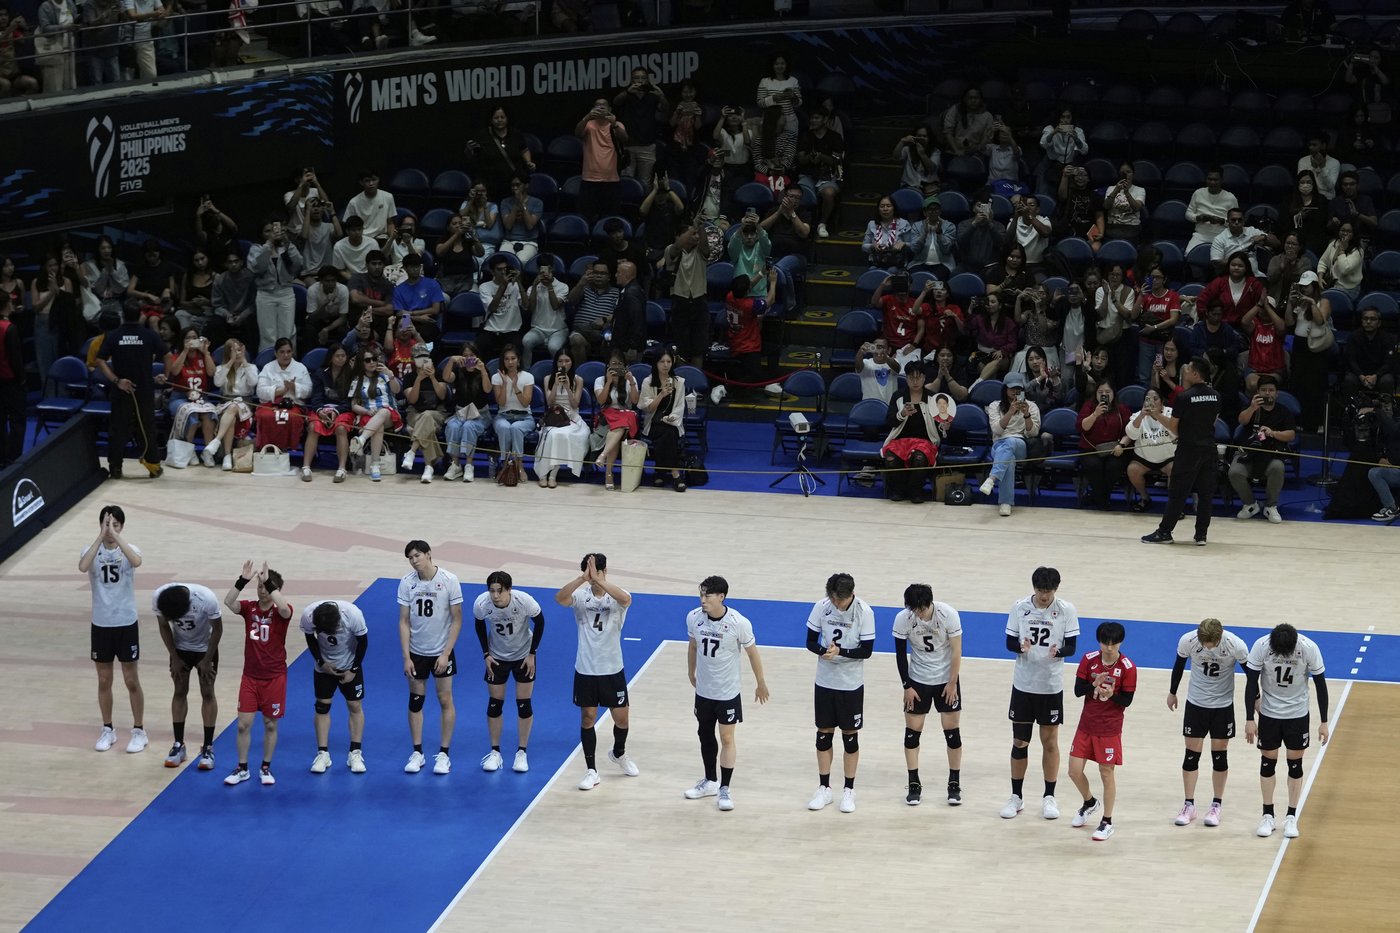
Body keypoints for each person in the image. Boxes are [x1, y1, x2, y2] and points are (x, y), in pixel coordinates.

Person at [683, 575, 770, 811]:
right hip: (704, 691)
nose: (703, 600)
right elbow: (693, 646)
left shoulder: (738, 623)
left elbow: (752, 653)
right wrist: (690, 672)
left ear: (721, 597)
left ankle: (725, 788)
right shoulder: (694, 618)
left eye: (707, 596)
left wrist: (761, 683)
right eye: (701, 595)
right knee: (705, 735)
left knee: (727, 738)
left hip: (727, 692)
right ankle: (710, 781)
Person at [1001, 566, 1079, 821]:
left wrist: (1060, 652)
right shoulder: (1019, 607)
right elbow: (1009, 642)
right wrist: (1020, 648)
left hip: (1050, 686)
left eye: (1049, 591)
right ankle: (1016, 797)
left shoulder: (1066, 610)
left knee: (1050, 742)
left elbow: (1072, 647)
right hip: (1024, 685)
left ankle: (1049, 797)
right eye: (1040, 590)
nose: (1044, 596)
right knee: (1019, 742)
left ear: (1056, 589)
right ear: (1034, 588)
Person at [555, 553, 636, 791]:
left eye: (596, 573)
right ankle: (592, 770)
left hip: (612, 668)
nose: (593, 578)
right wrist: (583, 579)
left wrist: (599, 581)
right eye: (589, 574)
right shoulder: (581, 597)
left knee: (622, 719)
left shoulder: (618, 595)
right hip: (586, 669)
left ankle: (618, 753)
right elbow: (560, 598)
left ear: (605, 571)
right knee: (588, 717)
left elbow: (626, 599)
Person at [1245, 623, 1329, 838]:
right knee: (1267, 763)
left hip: (1297, 714)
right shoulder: (1261, 646)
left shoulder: (1309, 648)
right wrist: (1249, 718)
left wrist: (1324, 722)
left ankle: (1291, 817)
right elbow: (1251, 682)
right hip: (1269, 714)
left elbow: (1321, 685)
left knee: (1295, 764)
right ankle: (1268, 815)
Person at [1168, 617, 1250, 828]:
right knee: (1191, 756)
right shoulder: (1188, 640)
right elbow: (1179, 665)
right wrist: (1172, 692)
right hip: (1196, 704)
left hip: (1222, 706)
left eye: (1211, 644)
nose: (1207, 647)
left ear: (1219, 637)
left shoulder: (1235, 644)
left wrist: (1256, 700)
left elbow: (1252, 674)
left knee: (1219, 757)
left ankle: (1216, 805)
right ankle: (1189, 805)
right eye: (1204, 643)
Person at [805, 572, 876, 814]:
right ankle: (824, 788)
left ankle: (849, 790)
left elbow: (866, 651)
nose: (836, 603)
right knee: (823, 735)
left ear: (851, 595)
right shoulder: (822, 606)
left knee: (850, 736)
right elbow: (810, 641)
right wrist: (822, 651)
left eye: (840, 600)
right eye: (833, 598)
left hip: (850, 684)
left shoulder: (864, 612)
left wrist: (841, 652)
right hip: (825, 681)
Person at [79, 505, 147, 754]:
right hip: (101, 624)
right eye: (107, 525)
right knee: (104, 679)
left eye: (115, 525)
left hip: (126, 623)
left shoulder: (130, 550)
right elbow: (83, 567)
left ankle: (139, 730)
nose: (110, 529)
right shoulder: (91, 550)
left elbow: (137, 561)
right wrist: (101, 536)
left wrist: (116, 537)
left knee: (131, 679)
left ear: (122, 527)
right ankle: (108, 728)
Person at [221, 560, 292, 787]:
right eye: (259, 586)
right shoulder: (249, 608)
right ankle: (242, 768)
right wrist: (242, 580)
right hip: (250, 677)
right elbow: (228, 602)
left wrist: (269, 583)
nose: (261, 591)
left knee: (270, 724)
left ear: (275, 589)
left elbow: (283, 608)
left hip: (274, 677)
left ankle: (265, 767)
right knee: (243, 724)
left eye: (266, 587)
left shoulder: (282, 611)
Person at [893, 583, 963, 807]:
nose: (918, 614)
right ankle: (913, 783)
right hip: (918, 681)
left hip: (945, 680)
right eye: (914, 609)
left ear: (930, 603)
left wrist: (952, 683)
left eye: (921, 609)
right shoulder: (903, 618)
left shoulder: (948, 615)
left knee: (952, 734)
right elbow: (900, 655)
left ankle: (954, 783)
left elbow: (957, 651)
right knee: (911, 735)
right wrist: (907, 686)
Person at [397, 540, 462, 776]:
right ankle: (417, 752)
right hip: (417, 652)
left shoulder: (449, 580)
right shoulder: (407, 582)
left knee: (445, 699)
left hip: (441, 652)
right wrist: (406, 657)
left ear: (428, 554)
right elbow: (404, 621)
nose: (414, 561)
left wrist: (446, 654)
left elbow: (457, 620)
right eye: (410, 558)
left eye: (417, 556)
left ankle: (444, 754)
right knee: (416, 701)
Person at [1067, 621, 1137, 841]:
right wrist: (1093, 685)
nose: (1109, 647)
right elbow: (1078, 691)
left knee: (1106, 773)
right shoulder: (1089, 660)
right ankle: (1090, 802)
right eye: (1105, 643)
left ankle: (1107, 821)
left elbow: (1127, 701)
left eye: (1113, 644)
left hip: (1109, 729)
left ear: (1120, 642)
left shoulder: (1128, 667)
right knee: (1074, 771)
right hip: (1086, 725)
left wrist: (1111, 695)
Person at [1143, 358, 1222, 545]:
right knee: (1205, 495)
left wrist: (1156, 415)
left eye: (1188, 369)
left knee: (1177, 493)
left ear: (1196, 374)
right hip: (1209, 449)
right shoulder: (1216, 395)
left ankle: (1164, 532)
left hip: (1189, 450)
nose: (1184, 371)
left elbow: (1174, 427)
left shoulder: (1184, 397)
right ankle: (1201, 535)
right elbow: (1213, 422)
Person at [474, 571, 545, 774]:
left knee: (524, 704)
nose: (495, 596)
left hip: (523, 656)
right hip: (497, 657)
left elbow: (540, 622)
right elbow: (479, 624)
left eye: (500, 591)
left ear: (509, 590)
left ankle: (521, 752)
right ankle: (495, 752)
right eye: (492, 591)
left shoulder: (524, 601)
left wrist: (532, 654)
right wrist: (486, 654)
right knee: (495, 704)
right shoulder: (482, 604)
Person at [92, 302, 168, 479]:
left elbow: (100, 361)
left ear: (123, 316)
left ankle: (115, 468)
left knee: (118, 428)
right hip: (144, 389)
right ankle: (153, 466)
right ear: (140, 315)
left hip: (121, 389)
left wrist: (117, 381)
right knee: (147, 427)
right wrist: (165, 375)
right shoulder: (149, 335)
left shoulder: (113, 335)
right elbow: (167, 355)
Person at [153, 581, 223, 771]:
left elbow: (217, 629)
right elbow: (163, 626)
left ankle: (208, 747)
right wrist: (174, 657)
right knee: (179, 691)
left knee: (207, 692)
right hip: (180, 648)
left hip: (205, 648)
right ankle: (178, 745)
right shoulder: (160, 597)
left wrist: (207, 659)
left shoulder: (206, 598)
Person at [302, 598, 369, 774]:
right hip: (324, 668)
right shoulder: (308, 615)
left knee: (355, 705)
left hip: (349, 665)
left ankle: (355, 753)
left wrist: (353, 670)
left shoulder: (353, 615)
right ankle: (323, 754)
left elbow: (363, 642)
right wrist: (321, 662)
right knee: (322, 707)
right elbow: (309, 638)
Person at [1228, 376, 1297, 525]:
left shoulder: (1283, 411)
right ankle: (1250, 504)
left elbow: (1291, 435)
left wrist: (1272, 433)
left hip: (1271, 454)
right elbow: (1241, 421)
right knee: (1234, 472)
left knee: (1278, 467)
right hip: (1249, 453)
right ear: (1258, 392)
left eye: (1271, 390)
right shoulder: (1252, 408)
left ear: (1276, 393)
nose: (1267, 393)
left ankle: (1270, 506)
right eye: (1264, 390)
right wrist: (1252, 408)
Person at [979, 372, 1040, 517]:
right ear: (1005, 389)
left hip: (1021, 444)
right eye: (1012, 388)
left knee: (1011, 442)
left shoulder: (1032, 406)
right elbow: (997, 430)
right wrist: (1010, 412)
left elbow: (1033, 433)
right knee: (1009, 459)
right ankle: (1005, 503)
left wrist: (1026, 414)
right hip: (999, 445)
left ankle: (992, 478)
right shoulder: (995, 406)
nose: (1015, 392)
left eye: (1018, 389)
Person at [881, 363, 939, 504]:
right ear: (906, 378)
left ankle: (915, 491)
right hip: (900, 440)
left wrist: (945, 425)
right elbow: (890, 421)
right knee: (891, 458)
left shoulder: (932, 398)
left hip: (925, 441)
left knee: (919, 458)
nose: (915, 381)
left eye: (918, 377)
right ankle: (898, 490)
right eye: (911, 378)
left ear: (924, 378)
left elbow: (939, 424)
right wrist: (902, 414)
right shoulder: (898, 396)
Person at [535, 348, 590, 487]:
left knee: (560, 435)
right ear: (556, 363)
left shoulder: (578, 380)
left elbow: (575, 404)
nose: (563, 364)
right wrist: (555, 385)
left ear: (572, 362)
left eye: (567, 361)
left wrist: (567, 387)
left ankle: (553, 475)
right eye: (560, 361)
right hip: (553, 416)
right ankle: (543, 474)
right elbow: (549, 403)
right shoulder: (548, 379)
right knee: (550, 434)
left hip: (571, 418)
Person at [638, 347, 688, 490]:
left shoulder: (679, 382)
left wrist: (672, 417)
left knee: (669, 432)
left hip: (672, 423)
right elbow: (647, 408)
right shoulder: (648, 382)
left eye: (668, 361)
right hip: (653, 422)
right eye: (662, 361)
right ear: (656, 363)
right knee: (667, 434)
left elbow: (680, 407)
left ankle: (659, 471)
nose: (666, 365)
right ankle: (675, 473)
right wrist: (661, 394)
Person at [1076, 381, 1131, 510]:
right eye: (1100, 392)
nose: (1104, 395)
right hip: (1091, 449)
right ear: (1095, 394)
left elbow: (1130, 432)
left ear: (1113, 393)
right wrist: (1095, 414)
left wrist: (1121, 445)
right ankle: (1103, 499)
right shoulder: (1088, 406)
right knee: (1093, 466)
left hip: (1115, 448)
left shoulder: (1122, 409)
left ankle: (1097, 496)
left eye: (1107, 392)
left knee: (1114, 466)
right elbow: (1082, 427)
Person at [575, 99, 627, 223]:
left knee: (611, 218)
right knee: (588, 217)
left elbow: (625, 139)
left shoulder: (617, 124)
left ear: (610, 109)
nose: (601, 107)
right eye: (598, 105)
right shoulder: (588, 124)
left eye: (604, 105)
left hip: (611, 179)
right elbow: (577, 133)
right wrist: (587, 117)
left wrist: (614, 124)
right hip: (590, 179)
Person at [1185, 166, 1239, 252]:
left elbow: (1237, 222)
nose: (1212, 182)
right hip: (1200, 235)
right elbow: (1188, 214)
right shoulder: (1198, 193)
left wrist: (1221, 221)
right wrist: (1198, 218)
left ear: (1221, 180)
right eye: (1210, 179)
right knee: (1189, 253)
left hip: (1222, 236)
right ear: (1206, 179)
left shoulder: (1231, 198)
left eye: (1216, 180)